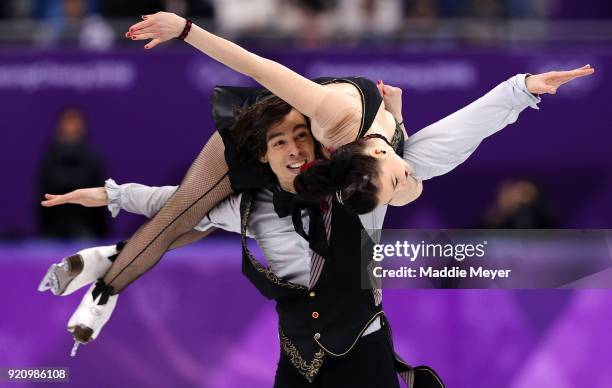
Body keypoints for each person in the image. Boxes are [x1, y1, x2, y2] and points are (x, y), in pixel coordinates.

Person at [41, 68, 575, 386]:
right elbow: (175, 203)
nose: (294, 149)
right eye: (279, 143)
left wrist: (519, 90)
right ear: (265, 158)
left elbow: (449, 140)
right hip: (297, 365)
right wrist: (110, 194)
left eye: (301, 138)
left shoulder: (360, 186)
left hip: (364, 359)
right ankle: (104, 269)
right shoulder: (248, 208)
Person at [72, 11, 593, 308]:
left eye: (396, 181)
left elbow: (453, 136)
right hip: (255, 132)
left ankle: (119, 253)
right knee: (185, 212)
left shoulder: (360, 137)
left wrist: (523, 89)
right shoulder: (362, 135)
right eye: (400, 182)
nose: (407, 181)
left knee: (233, 222)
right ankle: (105, 289)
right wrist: (184, 29)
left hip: (309, 156)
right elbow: (260, 68)